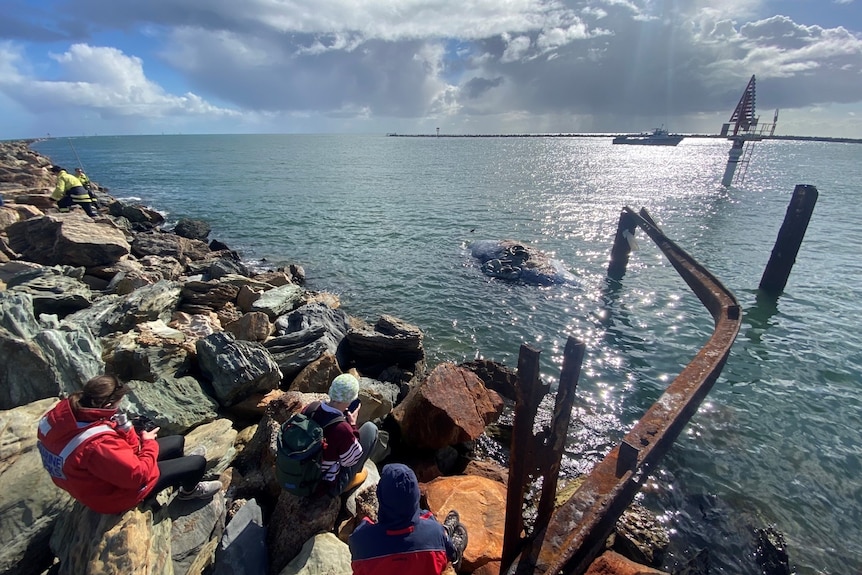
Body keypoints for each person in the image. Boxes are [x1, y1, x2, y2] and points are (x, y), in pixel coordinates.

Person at [36, 374, 222, 515]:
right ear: (108, 404)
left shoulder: (67, 414)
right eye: (118, 403)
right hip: (113, 496)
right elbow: (136, 476)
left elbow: (127, 450)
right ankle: (187, 491)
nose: (119, 407)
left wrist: (129, 432)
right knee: (196, 464)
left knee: (176, 442)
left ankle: (178, 475)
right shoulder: (97, 446)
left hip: (94, 479)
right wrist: (148, 444)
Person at [348, 463, 468, 574]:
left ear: (380, 497)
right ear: (416, 496)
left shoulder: (360, 539)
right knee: (440, 540)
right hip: (431, 541)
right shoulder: (434, 530)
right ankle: (454, 552)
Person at [305, 373, 379, 497]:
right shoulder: (342, 429)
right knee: (371, 429)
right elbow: (352, 459)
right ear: (350, 401)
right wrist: (353, 426)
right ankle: (349, 480)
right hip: (325, 485)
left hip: (303, 472)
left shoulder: (311, 408)